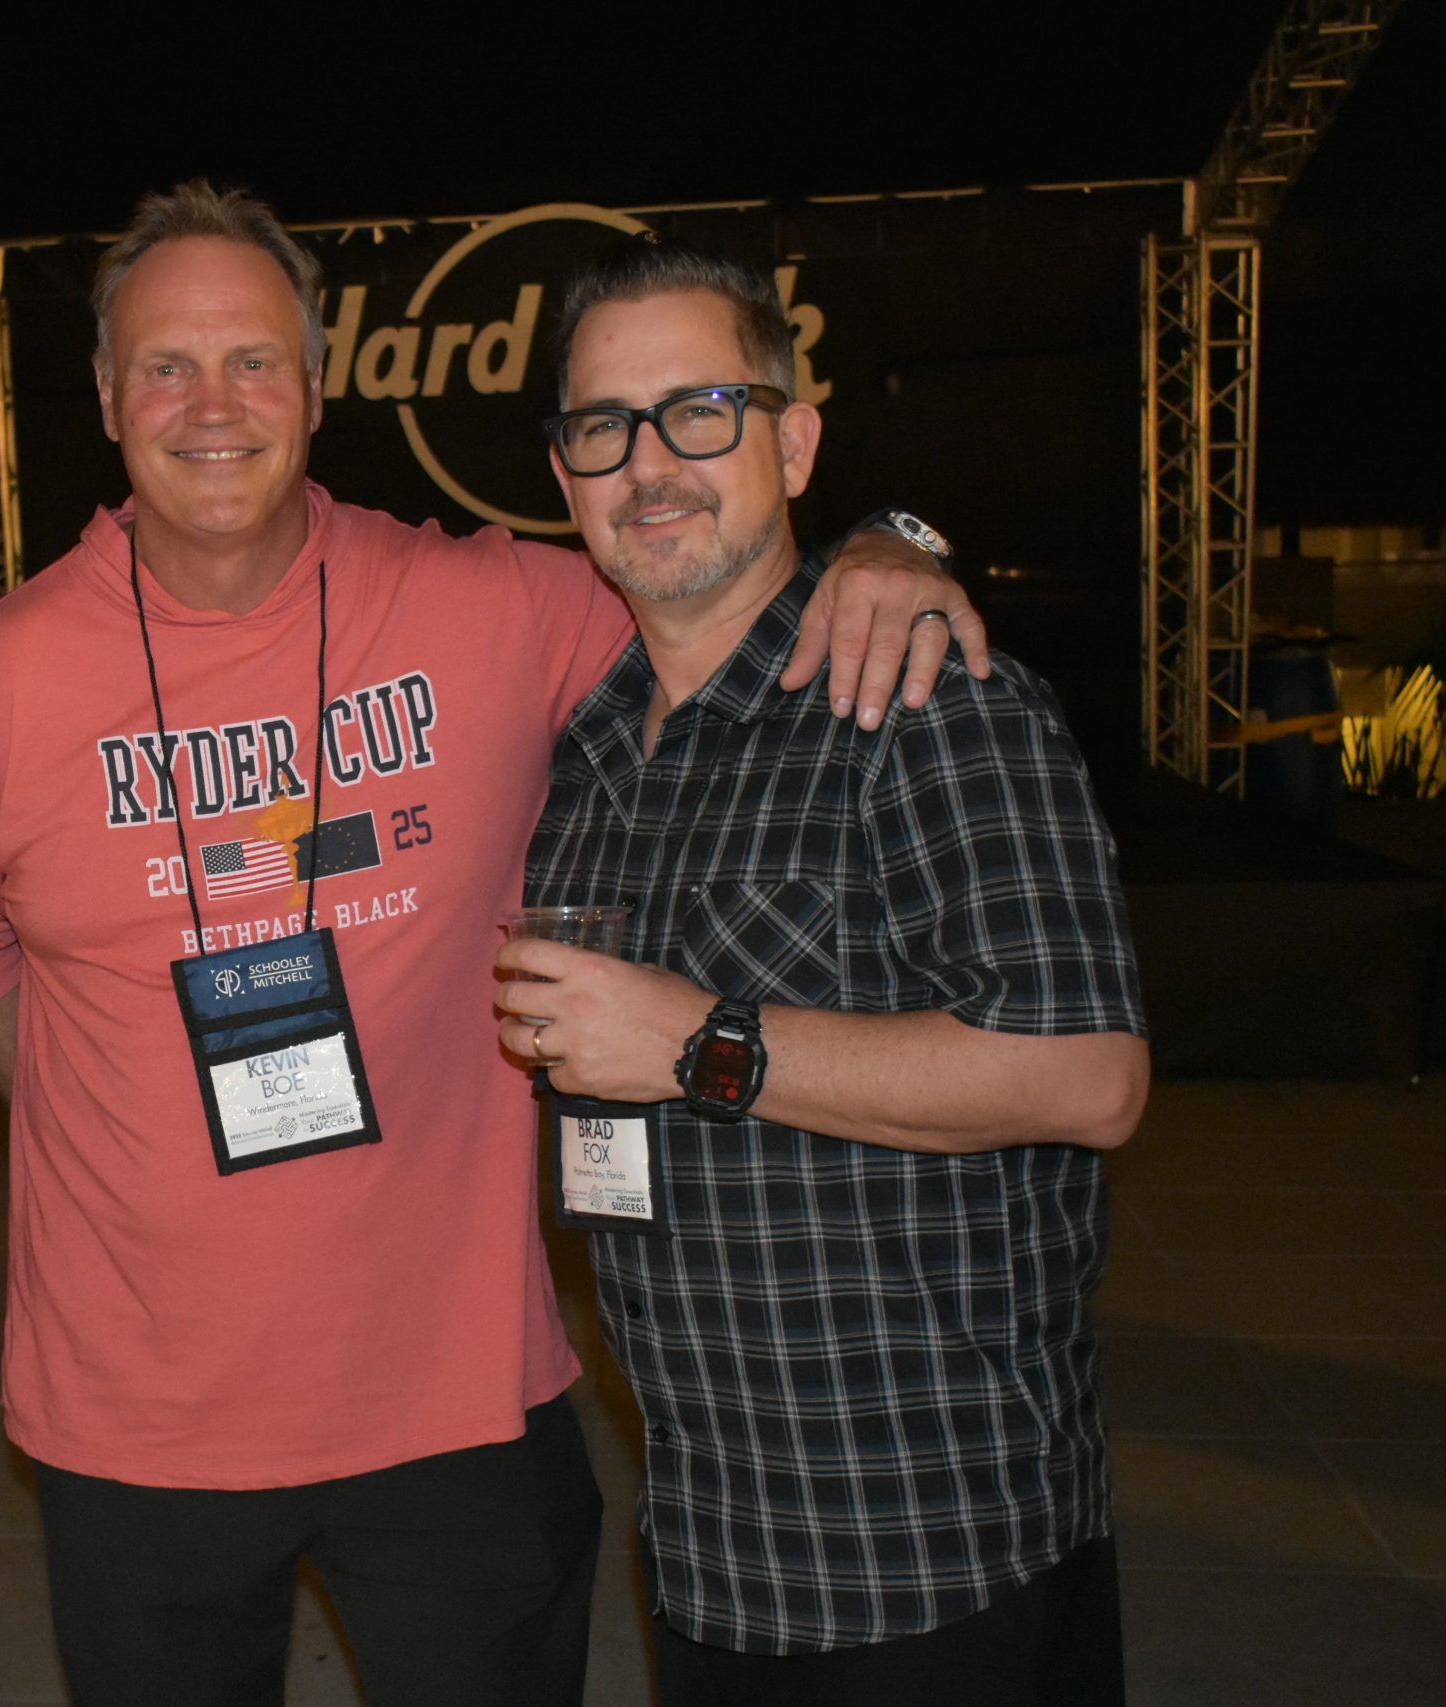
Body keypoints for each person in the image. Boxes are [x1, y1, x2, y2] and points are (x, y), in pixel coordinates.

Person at [0, 180, 986, 1707]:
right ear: (103, 395)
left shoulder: (495, 608)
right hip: (137, 1420)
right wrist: (117, 1141)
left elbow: (728, 587)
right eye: (167, 365)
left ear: (317, 384)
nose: (212, 405)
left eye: (254, 361)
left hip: (454, 1403)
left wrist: (894, 538)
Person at [502, 235, 1150, 1706]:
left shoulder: (928, 698)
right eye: (604, 427)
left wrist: (697, 1044)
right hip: (712, 1548)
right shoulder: (589, 758)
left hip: (939, 1554)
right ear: (564, 474)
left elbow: (1089, 1075)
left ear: (792, 444)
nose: (649, 464)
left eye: (699, 412)